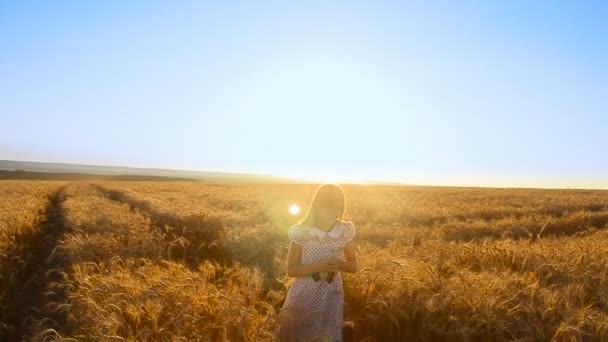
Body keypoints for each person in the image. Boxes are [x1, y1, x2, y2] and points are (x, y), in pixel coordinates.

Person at [275, 183, 358, 342]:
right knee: (298, 334)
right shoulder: (301, 232)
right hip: (305, 292)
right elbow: (291, 269)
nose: (331, 213)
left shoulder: (344, 230)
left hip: (332, 293)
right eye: (326, 208)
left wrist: (339, 263)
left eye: (336, 209)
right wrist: (317, 267)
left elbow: (353, 266)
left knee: (327, 335)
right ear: (316, 206)